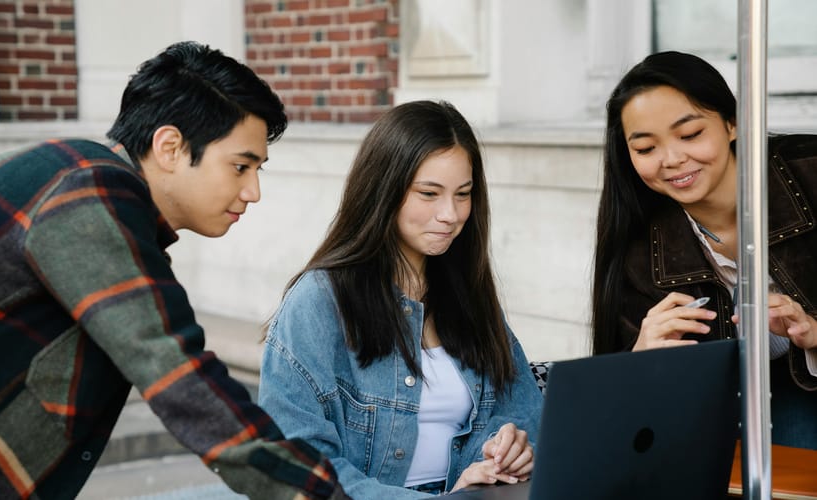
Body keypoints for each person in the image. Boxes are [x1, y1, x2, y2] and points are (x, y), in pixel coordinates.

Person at [0, 41, 348, 499]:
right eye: (240, 166)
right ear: (170, 147)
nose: (254, 192)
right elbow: (173, 368)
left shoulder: (87, 187)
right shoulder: (85, 189)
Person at [257, 100, 543, 498]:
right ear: (383, 189)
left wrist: (501, 450)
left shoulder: (469, 292)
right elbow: (299, 465)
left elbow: (523, 409)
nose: (450, 214)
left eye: (464, 194)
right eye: (429, 193)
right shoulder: (319, 302)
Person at [591, 50, 817, 450]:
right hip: (714, 420)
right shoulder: (636, 243)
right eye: (645, 148)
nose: (673, 159)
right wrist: (642, 356)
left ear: (733, 123)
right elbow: (617, 408)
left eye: (690, 134)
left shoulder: (809, 172)